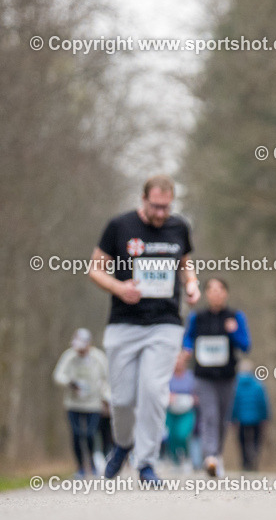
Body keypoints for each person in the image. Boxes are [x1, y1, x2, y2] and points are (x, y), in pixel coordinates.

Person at [88, 175, 200, 485]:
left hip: (164, 324)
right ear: (143, 199)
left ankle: (147, 463)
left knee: (153, 391)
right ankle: (123, 444)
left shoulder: (179, 228)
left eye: (166, 207)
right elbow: (94, 269)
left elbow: (185, 263)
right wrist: (119, 287)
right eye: (156, 206)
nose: (161, 213)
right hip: (124, 323)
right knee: (122, 399)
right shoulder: (119, 226)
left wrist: (192, 285)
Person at [178, 277, 250, 477]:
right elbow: (188, 339)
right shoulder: (197, 317)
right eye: (211, 290)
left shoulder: (236, 317)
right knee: (209, 414)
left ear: (225, 293)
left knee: (222, 418)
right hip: (204, 376)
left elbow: (246, 345)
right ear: (207, 294)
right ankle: (209, 455)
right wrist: (187, 350)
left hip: (227, 376)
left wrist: (233, 332)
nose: (216, 294)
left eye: (220, 290)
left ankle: (216, 455)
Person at [52, 328, 110, 477]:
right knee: (77, 435)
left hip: (93, 404)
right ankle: (81, 467)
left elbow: (107, 379)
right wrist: (70, 383)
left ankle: (91, 463)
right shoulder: (69, 356)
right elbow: (58, 375)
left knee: (90, 434)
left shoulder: (98, 357)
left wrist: (106, 399)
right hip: (73, 403)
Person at [231, 359, 270, 471]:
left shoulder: (235, 385)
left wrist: (233, 418)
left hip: (241, 419)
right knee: (256, 439)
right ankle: (254, 455)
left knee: (242, 440)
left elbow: (234, 404)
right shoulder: (258, 384)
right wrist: (265, 417)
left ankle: (245, 461)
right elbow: (263, 402)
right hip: (256, 418)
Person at [165, 357, 197, 472]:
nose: (178, 365)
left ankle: (186, 457)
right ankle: (175, 460)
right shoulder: (167, 376)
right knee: (172, 436)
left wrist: (193, 398)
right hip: (171, 410)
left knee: (182, 434)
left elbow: (197, 392)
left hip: (186, 411)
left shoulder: (190, 376)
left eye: (180, 363)